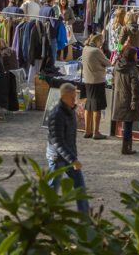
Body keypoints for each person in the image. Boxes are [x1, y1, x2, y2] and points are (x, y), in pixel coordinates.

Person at [45, 82, 88, 214]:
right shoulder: (56, 114)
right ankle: (46, 217)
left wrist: (73, 157)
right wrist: (73, 159)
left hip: (68, 156)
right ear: (64, 97)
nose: (74, 100)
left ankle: (85, 216)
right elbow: (57, 141)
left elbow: (69, 138)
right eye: (72, 97)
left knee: (80, 187)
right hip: (57, 158)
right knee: (52, 190)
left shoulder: (70, 111)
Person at [112, 45, 139, 155]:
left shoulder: (117, 65)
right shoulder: (132, 69)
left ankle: (127, 146)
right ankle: (126, 147)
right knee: (128, 124)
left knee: (127, 124)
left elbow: (113, 79)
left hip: (120, 97)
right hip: (128, 99)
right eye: (135, 55)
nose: (137, 57)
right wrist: (134, 101)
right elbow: (135, 87)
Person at [81, 34, 110, 139]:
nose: (102, 43)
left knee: (88, 106)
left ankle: (87, 130)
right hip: (97, 80)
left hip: (87, 80)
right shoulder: (96, 51)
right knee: (96, 107)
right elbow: (108, 63)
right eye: (101, 41)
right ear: (98, 41)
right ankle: (96, 132)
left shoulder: (85, 48)